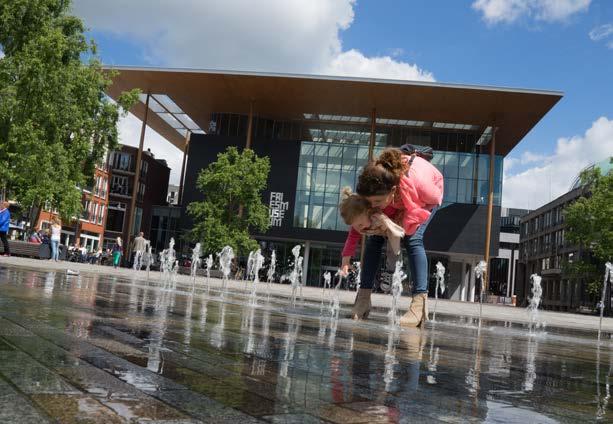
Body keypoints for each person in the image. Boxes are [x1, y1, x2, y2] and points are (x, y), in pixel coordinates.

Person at [341, 148, 443, 327]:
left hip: (425, 198)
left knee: (413, 239)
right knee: (374, 239)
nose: (373, 207)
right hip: (399, 199)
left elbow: (436, 198)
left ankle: (419, 305)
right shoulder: (375, 189)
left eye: (377, 203)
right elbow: (356, 229)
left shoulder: (420, 183)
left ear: (393, 190)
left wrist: (406, 216)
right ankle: (363, 298)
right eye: (369, 202)